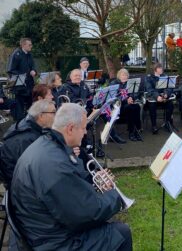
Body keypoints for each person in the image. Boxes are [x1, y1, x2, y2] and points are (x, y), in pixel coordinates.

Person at [10, 103, 133, 250]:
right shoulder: (54, 164)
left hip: (38, 229)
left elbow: (70, 192)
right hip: (53, 242)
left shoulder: (46, 145)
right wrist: (113, 196)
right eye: (83, 128)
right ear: (70, 129)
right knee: (121, 233)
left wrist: (91, 183)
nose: (85, 133)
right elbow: (88, 214)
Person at [0, 99, 56, 188]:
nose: (56, 116)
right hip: (22, 188)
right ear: (41, 116)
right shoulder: (27, 138)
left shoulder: (31, 126)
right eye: (53, 112)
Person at [7, 37, 37, 122]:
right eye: (29, 45)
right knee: (19, 109)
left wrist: (34, 71)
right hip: (20, 88)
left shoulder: (29, 54)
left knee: (30, 107)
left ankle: (30, 124)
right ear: (23, 45)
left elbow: (33, 66)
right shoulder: (16, 54)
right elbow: (10, 70)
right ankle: (19, 126)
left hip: (29, 86)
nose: (31, 46)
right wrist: (23, 75)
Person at [144, 64, 176, 135]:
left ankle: (167, 123)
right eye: (159, 68)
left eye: (161, 68)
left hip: (163, 98)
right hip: (153, 98)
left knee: (170, 104)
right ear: (155, 69)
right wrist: (157, 96)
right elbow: (149, 90)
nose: (161, 69)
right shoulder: (148, 78)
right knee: (152, 105)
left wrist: (166, 94)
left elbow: (170, 87)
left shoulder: (165, 76)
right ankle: (154, 126)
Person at [108, 69, 135, 144]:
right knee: (131, 108)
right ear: (119, 76)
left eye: (126, 75)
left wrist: (131, 98)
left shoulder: (129, 83)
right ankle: (132, 131)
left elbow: (133, 93)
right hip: (117, 107)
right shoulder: (114, 83)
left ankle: (132, 131)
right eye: (123, 75)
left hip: (126, 105)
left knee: (134, 107)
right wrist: (126, 100)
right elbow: (114, 97)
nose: (124, 77)